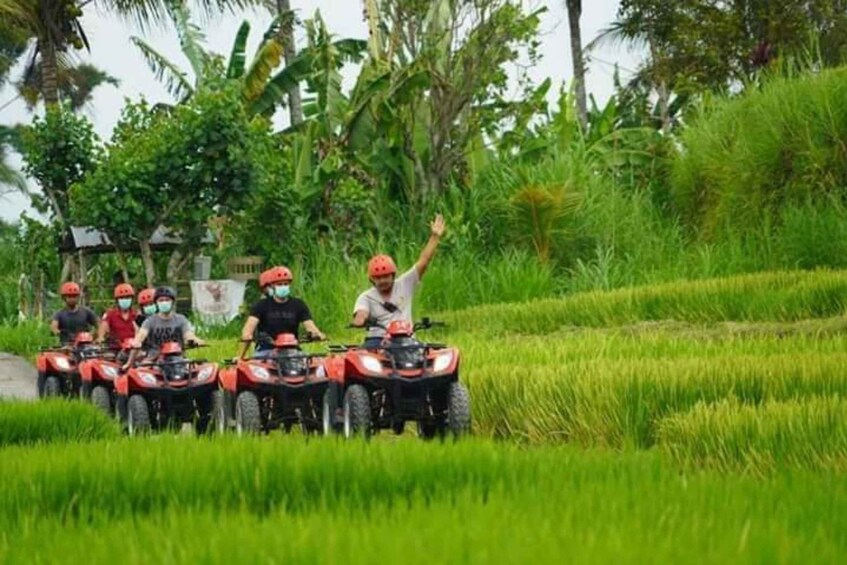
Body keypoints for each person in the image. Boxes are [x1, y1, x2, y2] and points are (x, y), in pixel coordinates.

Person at [352, 214, 445, 348]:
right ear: (372, 279)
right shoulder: (366, 297)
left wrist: (435, 237)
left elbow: (424, 261)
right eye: (378, 278)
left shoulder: (405, 284)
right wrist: (360, 320)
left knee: (425, 357)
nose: (382, 280)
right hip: (377, 340)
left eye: (386, 276)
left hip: (405, 338)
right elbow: (361, 313)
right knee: (365, 359)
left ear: (393, 275)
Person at [238, 266, 326, 358]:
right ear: (272, 286)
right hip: (266, 351)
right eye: (279, 284)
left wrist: (317, 334)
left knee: (313, 363)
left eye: (285, 284)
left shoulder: (298, 304)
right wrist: (246, 337)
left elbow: (310, 327)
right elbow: (248, 328)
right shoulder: (261, 305)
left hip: (292, 350)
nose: (283, 286)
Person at [127, 287, 204, 367]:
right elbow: (141, 335)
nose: (164, 302)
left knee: (198, 369)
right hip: (154, 360)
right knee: (141, 372)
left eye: (167, 300)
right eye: (161, 300)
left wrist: (195, 340)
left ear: (172, 302)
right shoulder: (149, 321)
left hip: (179, 359)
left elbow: (188, 335)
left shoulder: (181, 319)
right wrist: (137, 342)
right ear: (156, 303)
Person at [97, 283, 138, 350]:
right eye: (122, 298)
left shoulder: (136, 314)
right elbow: (103, 329)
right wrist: (101, 338)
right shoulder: (110, 314)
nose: (125, 300)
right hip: (115, 349)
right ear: (117, 300)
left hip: (134, 348)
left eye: (127, 297)